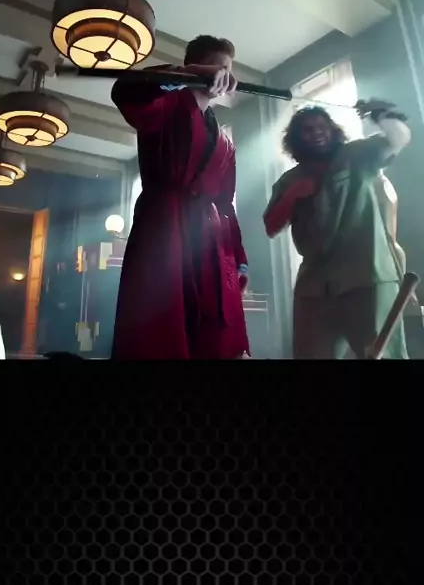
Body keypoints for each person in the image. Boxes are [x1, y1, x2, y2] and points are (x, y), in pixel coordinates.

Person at [110, 35, 250, 360]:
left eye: (229, 69)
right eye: (218, 67)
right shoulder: (166, 104)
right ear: (196, 66)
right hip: (164, 227)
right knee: (162, 324)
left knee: (214, 330)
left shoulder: (226, 143)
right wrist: (186, 75)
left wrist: (238, 257)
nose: (225, 76)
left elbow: (226, 203)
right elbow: (126, 91)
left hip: (210, 239)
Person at [263, 99, 411, 360]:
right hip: (315, 287)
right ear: (296, 139)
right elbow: (272, 226)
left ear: (332, 130)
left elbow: (398, 139)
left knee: (382, 354)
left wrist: (381, 114)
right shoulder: (290, 180)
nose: (317, 133)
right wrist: (293, 195)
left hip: (367, 277)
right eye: (308, 129)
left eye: (322, 126)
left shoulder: (356, 156)